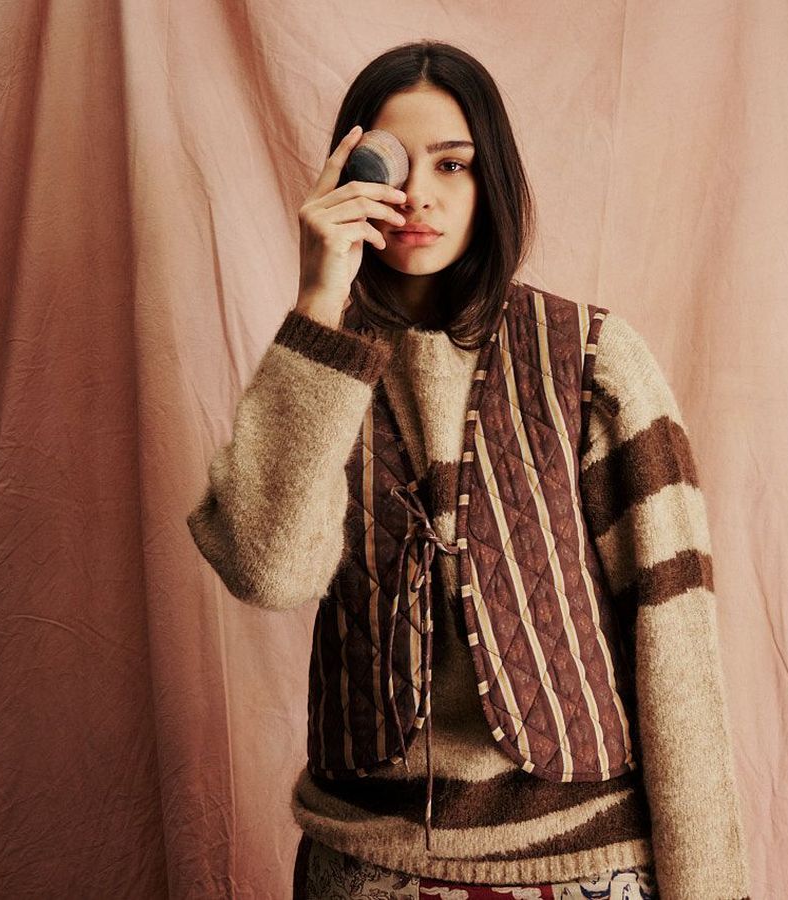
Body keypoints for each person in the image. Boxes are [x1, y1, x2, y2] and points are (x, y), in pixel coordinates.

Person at [186, 39, 751, 900]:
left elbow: (678, 649)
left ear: (494, 184)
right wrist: (318, 301)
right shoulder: (317, 369)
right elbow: (268, 571)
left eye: (454, 165)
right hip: (366, 870)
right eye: (391, 163)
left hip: (583, 868)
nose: (419, 194)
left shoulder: (594, 362)